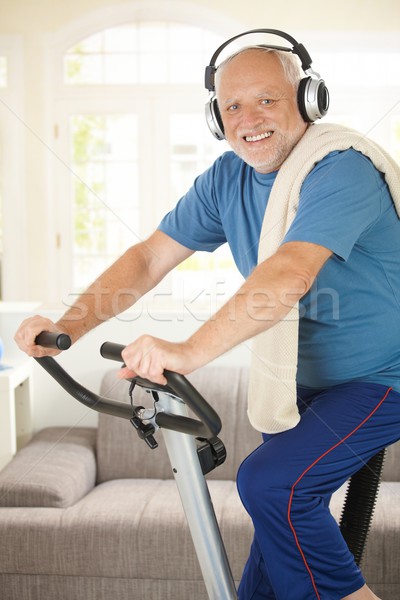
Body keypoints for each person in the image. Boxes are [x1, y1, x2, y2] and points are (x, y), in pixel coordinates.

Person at [15, 37, 400, 600]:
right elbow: (149, 258)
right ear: (217, 119)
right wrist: (68, 327)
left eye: (266, 100)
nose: (249, 120)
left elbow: (290, 272)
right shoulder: (227, 181)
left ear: (308, 98)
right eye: (232, 107)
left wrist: (187, 350)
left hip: (381, 380)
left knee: (272, 486)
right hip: (300, 386)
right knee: (271, 559)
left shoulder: (341, 170)